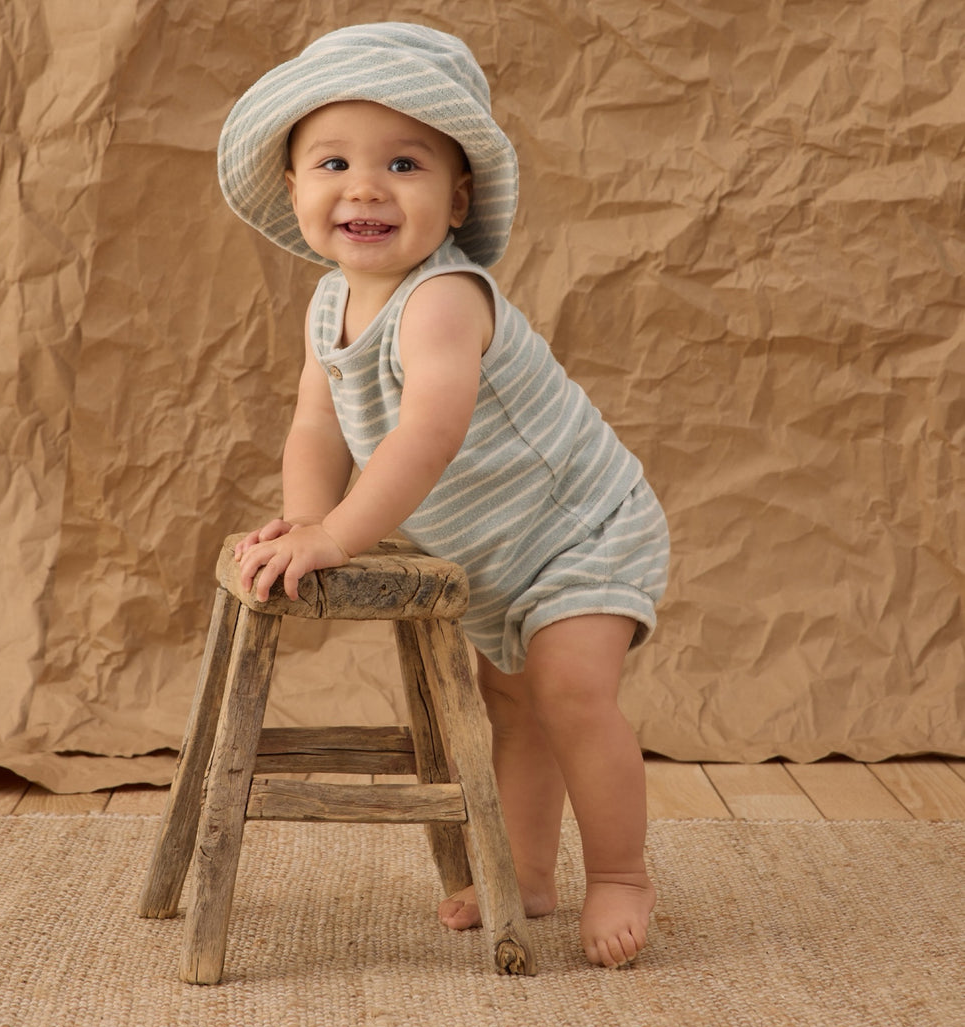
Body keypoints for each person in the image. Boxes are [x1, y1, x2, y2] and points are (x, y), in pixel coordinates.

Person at [218, 23, 669, 967]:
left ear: (457, 198)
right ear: (294, 189)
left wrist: (340, 535)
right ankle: (530, 871)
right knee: (506, 707)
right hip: (497, 556)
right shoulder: (328, 305)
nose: (367, 186)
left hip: (580, 531)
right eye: (333, 160)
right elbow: (317, 427)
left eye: (406, 163)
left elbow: (429, 434)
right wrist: (307, 517)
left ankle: (622, 872)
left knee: (570, 693)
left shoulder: (445, 298)